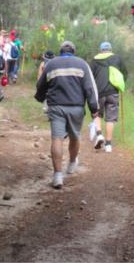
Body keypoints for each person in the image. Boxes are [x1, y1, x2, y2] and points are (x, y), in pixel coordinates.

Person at [34, 41, 99, 189]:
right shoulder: (82, 64)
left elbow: (41, 84)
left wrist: (40, 97)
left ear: (60, 51)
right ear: (73, 51)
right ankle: (71, 164)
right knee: (74, 137)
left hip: (56, 107)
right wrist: (94, 108)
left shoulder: (51, 64)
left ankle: (57, 176)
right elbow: (90, 88)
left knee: (57, 138)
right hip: (76, 107)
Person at [89, 41, 128, 153]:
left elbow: (90, 77)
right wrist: (120, 85)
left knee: (96, 113)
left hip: (99, 93)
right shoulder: (117, 58)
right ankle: (108, 145)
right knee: (110, 118)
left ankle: (99, 134)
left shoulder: (94, 60)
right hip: (113, 92)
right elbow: (125, 74)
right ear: (110, 49)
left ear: (101, 50)